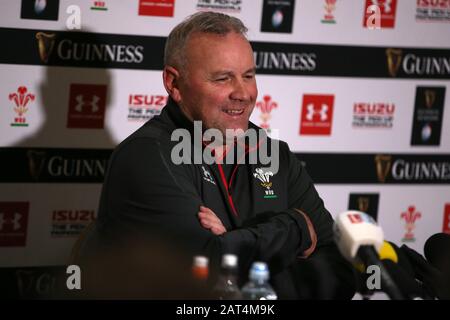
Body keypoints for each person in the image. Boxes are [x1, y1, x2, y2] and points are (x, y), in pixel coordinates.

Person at [78, 11, 356, 299]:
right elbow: (203, 279)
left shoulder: (273, 153)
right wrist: (295, 227)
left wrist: (234, 245)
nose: (242, 93)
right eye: (223, 79)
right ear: (174, 84)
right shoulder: (145, 156)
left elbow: (341, 268)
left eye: (248, 76)